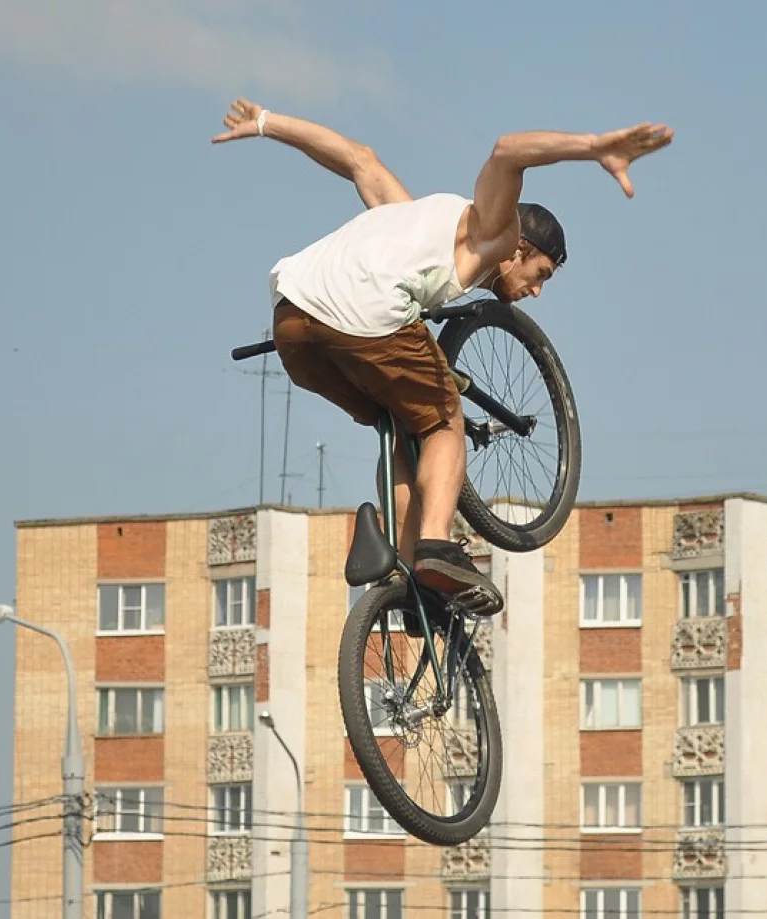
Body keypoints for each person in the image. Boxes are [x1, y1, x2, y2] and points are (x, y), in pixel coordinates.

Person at [212, 99, 673, 617]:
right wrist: (596, 147)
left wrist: (267, 122)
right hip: (366, 314)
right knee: (445, 418)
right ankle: (434, 546)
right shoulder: (494, 232)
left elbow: (356, 158)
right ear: (519, 249)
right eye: (541, 274)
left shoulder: (408, 215)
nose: (537, 291)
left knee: (402, 422)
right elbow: (507, 151)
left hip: (292, 320)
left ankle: (403, 574)